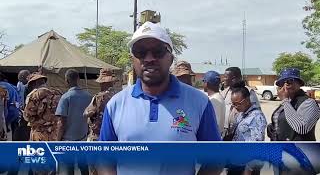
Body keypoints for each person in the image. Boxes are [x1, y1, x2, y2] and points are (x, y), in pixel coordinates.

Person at [98, 21, 221, 175]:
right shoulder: (115, 104)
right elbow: (104, 157)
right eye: (140, 52)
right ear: (133, 60)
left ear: (171, 58)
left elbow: (216, 158)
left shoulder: (199, 103)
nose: (149, 58)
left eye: (157, 51)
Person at [267, 68, 320, 141]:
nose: (285, 85)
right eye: (282, 83)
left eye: (289, 81)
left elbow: (302, 128)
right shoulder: (288, 102)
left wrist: (285, 101)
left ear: (299, 83)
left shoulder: (309, 102)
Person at [56, 69, 92, 175]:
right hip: (83, 138)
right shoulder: (89, 96)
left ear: (66, 81)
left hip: (68, 141)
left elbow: (61, 123)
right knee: (84, 167)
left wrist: (57, 140)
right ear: (78, 79)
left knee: (68, 168)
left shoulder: (65, 97)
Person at [226, 81, 267, 175]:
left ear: (247, 100)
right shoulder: (242, 114)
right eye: (233, 104)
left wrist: (249, 169)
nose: (235, 107)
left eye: (237, 104)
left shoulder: (257, 117)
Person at [83, 68, 117, 175]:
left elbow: (86, 113)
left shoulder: (98, 97)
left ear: (102, 83)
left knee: (94, 170)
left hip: (97, 138)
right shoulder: (118, 96)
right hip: (113, 138)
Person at [221, 67, 260, 140]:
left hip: (242, 133)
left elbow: (256, 113)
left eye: (226, 77)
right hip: (226, 132)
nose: (224, 79)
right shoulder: (224, 93)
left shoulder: (248, 92)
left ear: (233, 78)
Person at [23, 73, 62, 141]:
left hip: (39, 133)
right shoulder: (57, 92)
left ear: (34, 84)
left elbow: (28, 116)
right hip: (54, 132)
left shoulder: (34, 95)